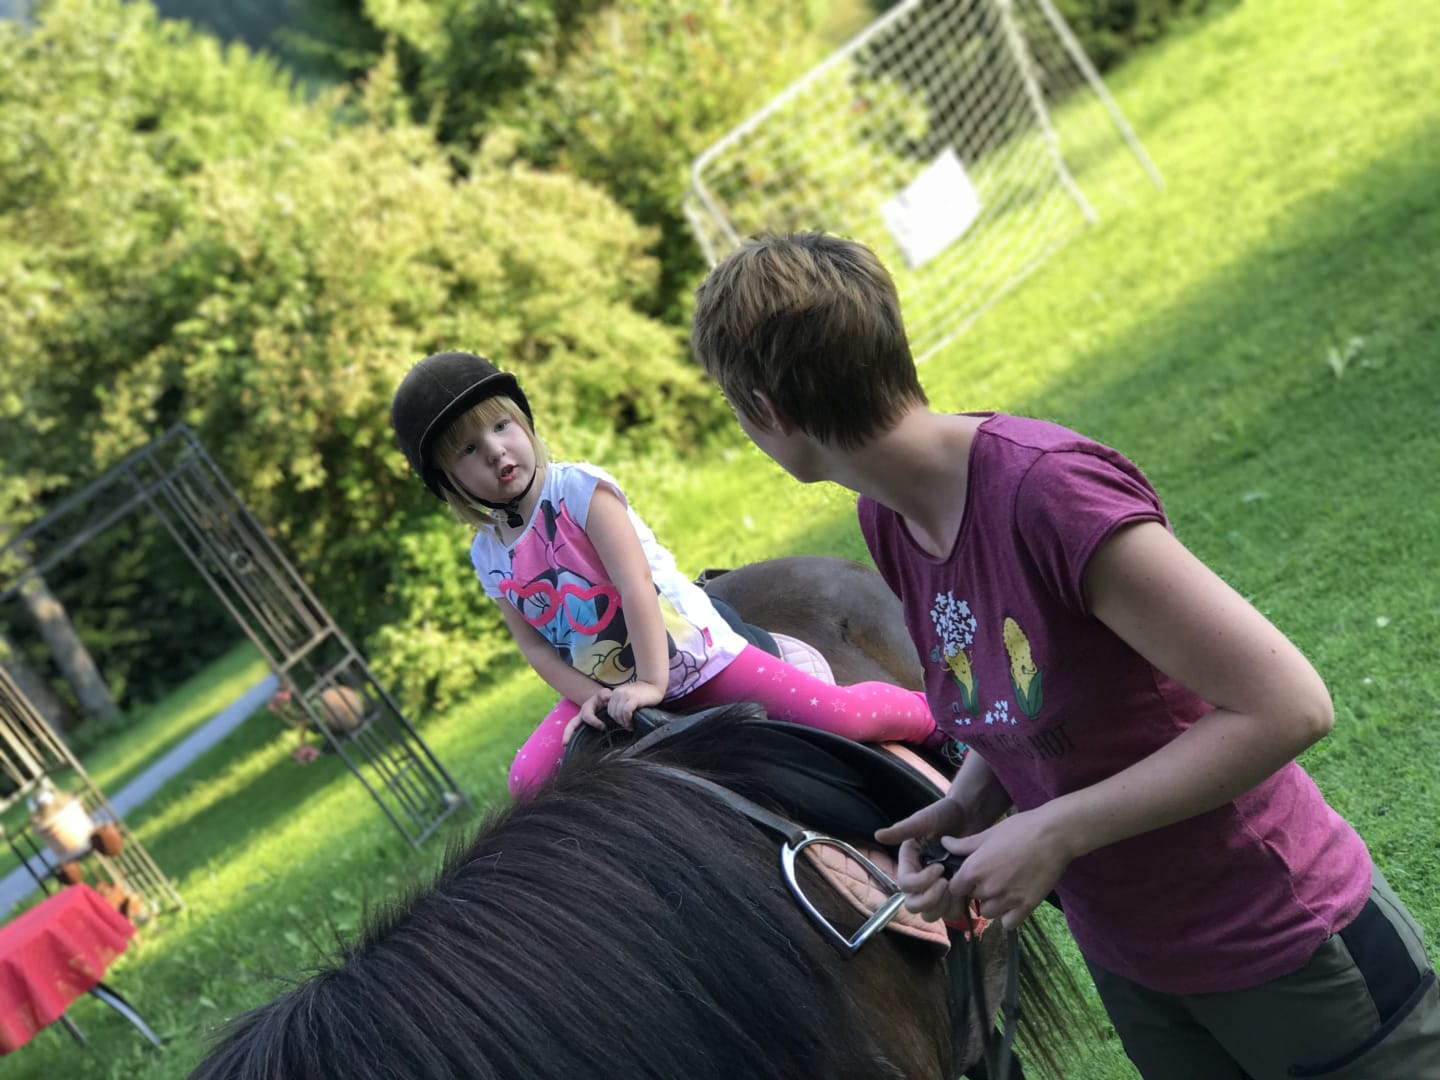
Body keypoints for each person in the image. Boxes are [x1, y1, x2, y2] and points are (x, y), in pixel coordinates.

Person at [689, 231, 1439, 1078]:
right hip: (1139, 965)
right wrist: (969, 804)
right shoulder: (890, 519)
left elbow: (1289, 706)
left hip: (1284, 941)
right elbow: (1012, 692)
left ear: (769, 409)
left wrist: (1054, 829)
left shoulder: (1049, 493)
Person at [389, 350, 950, 799]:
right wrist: (592, 698)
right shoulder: (488, 556)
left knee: (841, 716)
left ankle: (937, 724)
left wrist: (652, 685)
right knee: (526, 781)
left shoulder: (580, 492)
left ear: (524, 422)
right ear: (448, 480)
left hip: (689, 657)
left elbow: (636, 588)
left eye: (501, 426)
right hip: (609, 682)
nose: (495, 451)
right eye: (468, 449)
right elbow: (536, 646)